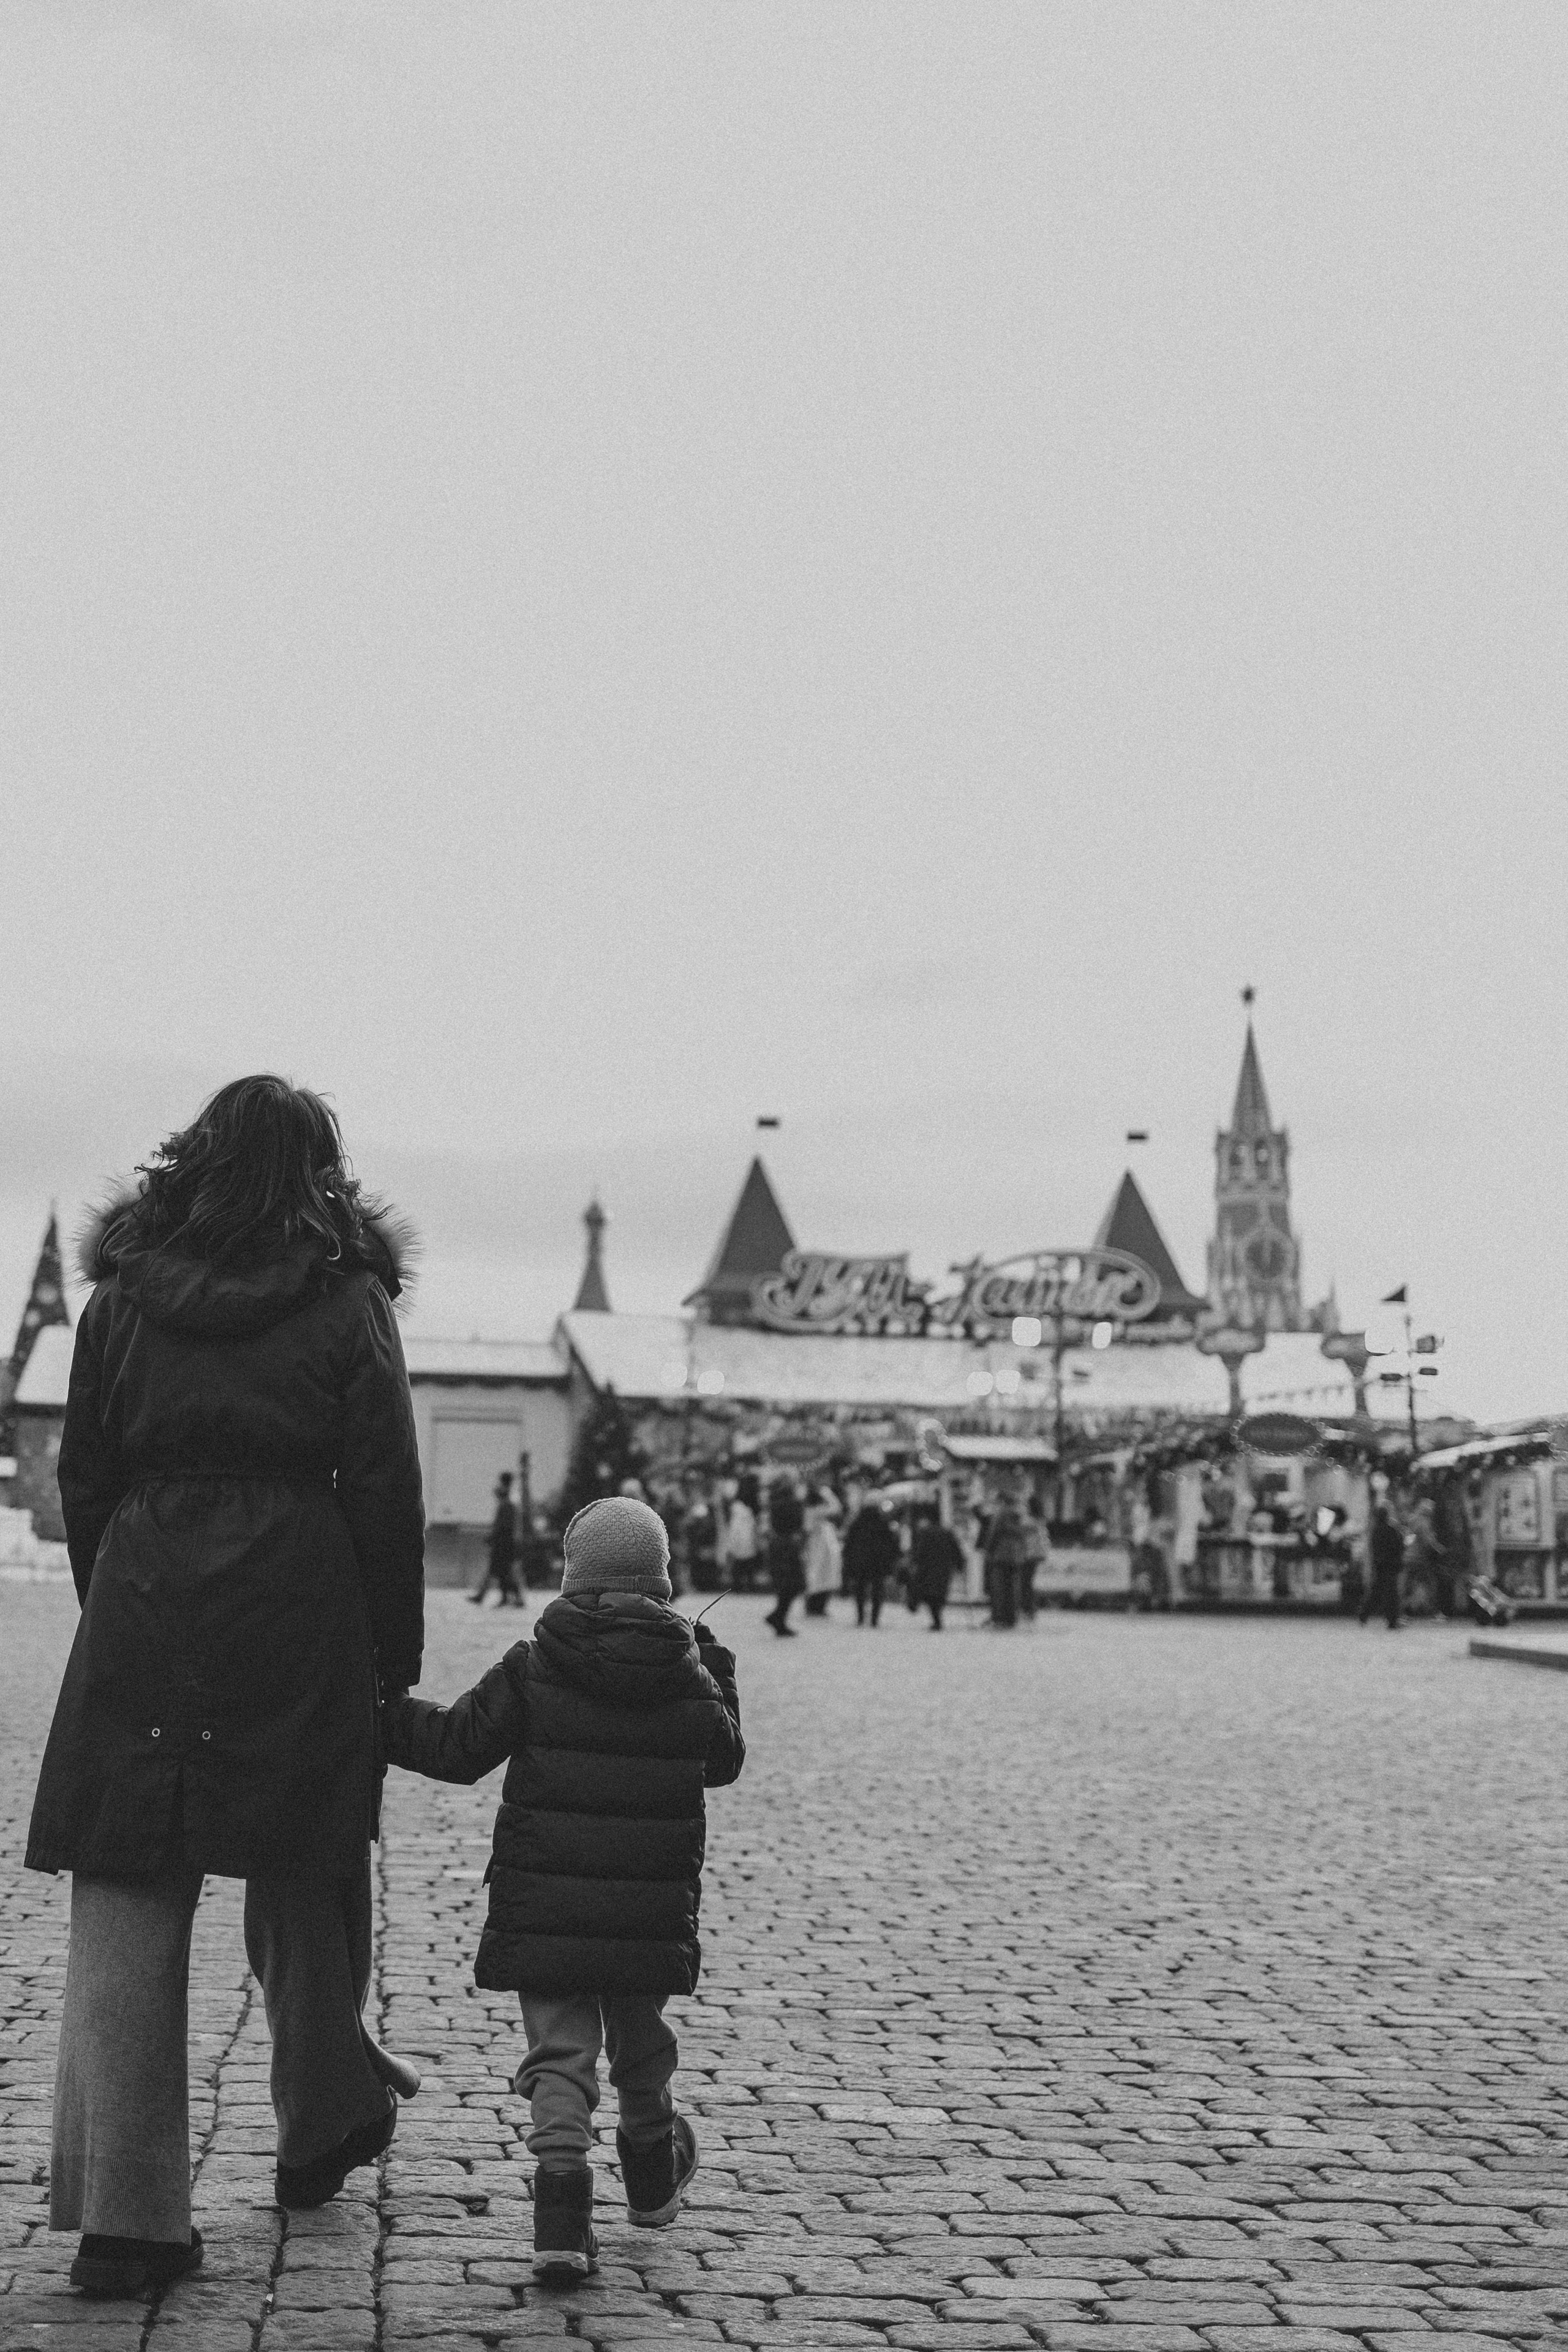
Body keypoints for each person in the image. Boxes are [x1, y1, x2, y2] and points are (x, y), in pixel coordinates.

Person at [25, 1076, 426, 2301]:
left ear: (186, 1163)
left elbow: (83, 1474)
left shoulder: (122, 1300)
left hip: (149, 1585)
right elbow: (383, 1488)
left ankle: (128, 2218)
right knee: (310, 1853)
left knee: (129, 1887)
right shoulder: (347, 1298)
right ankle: (320, 2116)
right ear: (319, 1173)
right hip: (297, 1589)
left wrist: (125, 1596)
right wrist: (387, 1659)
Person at [383, 1497, 744, 2282]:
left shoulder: (535, 1663)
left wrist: (378, 1715)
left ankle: (561, 2217)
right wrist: (717, 1669)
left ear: (573, 1574)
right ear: (663, 1582)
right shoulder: (687, 1675)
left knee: (560, 2054)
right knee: (641, 2045)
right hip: (645, 1915)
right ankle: (651, 2182)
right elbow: (723, 1760)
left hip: (544, 1910)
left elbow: (455, 1746)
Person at [843, 1495, 899, 1627]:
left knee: (860, 1589)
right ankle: (874, 1618)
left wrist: (849, 1560)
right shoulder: (882, 1523)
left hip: (860, 1562)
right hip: (878, 1563)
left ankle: (861, 1617)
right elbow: (891, 1544)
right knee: (877, 1590)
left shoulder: (857, 1523)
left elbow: (849, 1544)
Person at [470, 1472, 522, 1606]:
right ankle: (508, 1598)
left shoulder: (508, 1500)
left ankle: (510, 1598)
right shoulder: (512, 1498)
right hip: (506, 1541)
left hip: (504, 1542)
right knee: (502, 1571)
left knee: (501, 1571)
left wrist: (493, 1537)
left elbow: (503, 1524)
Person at [763, 1475, 806, 1637]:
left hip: (777, 1546)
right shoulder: (795, 1504)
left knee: (784, 1584)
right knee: (794, 1584)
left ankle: (778, 1617)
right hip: (789, 1546)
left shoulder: (773, 1503)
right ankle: (778, 1617)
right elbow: (800, 1526)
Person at [982, 1490, 1031, 1628]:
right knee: (1012, 1588)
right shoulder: (1020, 1515)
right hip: (1016, 1556)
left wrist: (988, 1550)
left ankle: (999, 1617)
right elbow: (1023, 1535)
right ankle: (1011, 1617)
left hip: (1000, 1555)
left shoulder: (1001, 1514)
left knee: (998, 1588)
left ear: (1002, 1501)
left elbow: (994, 1533)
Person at [910, 1507, 963, 1630]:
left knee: (930, 1593)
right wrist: (960, 1565)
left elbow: (920, 1551)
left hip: (928, 1568)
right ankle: (937, 1618)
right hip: (944, 1568)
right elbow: (956, 1550)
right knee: (939, 1593)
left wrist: (915, 1562)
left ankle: (935, 1618)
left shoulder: (926, 1533)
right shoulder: (947, 1532)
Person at [1362, 1502, 1405, 1629]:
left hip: (1380, 1565)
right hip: (1391, 1566)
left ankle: (1364, 1614)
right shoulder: (1391, 1530)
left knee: (1377, 1592)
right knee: (1391, 1594)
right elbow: (1398, 1546)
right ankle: (1392, 1620)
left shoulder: (1375, 1531)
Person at [802, 1485, 842, 1618]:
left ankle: (814, 1606)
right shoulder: (818, 1511)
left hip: (817, 1546)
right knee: (821, 1575)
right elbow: (836, 1508)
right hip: (820, 1546)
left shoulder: (809, 1510)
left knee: (817, 1575)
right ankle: (816, 1606)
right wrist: (828, 1494)